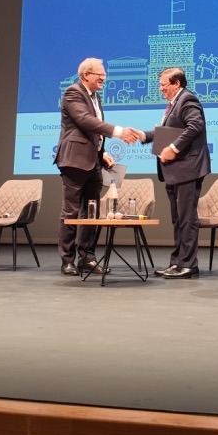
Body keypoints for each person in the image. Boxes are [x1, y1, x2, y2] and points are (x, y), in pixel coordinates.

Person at [55, 58, 141, 275]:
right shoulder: (73, 93)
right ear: (86, 75)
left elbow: (93, 133)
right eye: (100, 74)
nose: (104, 77)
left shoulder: (96, 97)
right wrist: (118, 132)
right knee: (71, 211)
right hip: (74, 161)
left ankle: (87, 258)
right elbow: (85, 121)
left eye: (104, 74)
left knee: (92, 211)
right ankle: (67, 260)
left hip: (93, 161)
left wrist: (103, 153)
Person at [138, 67, 210, 279]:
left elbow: (195, 125)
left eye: (163, 85)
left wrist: (173, 148)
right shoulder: (174, 104)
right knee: (178, 219)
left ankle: (188, 265)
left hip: (187, 169)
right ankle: (177, 263)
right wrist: (144, 135)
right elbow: (167, 133)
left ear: (176, 83)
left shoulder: (187, 99)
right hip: (174, 171)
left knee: (187, 218)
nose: (160, 89)